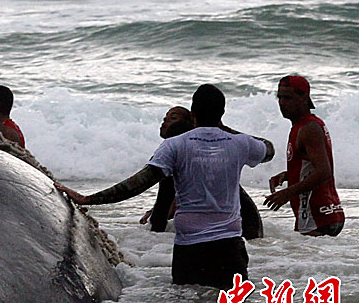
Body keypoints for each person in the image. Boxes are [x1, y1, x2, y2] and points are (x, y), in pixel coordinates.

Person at [57, 84, 274, 289]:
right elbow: (268, 149)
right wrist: (223, 129)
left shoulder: (174, 145)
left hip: (190, 250)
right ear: (222, 113)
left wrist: (88, 199)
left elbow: (137, 184)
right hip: (230, 249)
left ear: (193, 113)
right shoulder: (240, 143)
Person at [142, 107, 264, 240]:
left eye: (173, 118)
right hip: (240, 225)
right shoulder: (201, 154)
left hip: (241, 228)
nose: (165, 120)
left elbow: (161, 211)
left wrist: (149, 240)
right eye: (166, 117)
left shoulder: (180, 155)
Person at [264, 76, 345, 237]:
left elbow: (324, 172)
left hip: (318, 216)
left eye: (287, 98)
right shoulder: (303, 125)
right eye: (279, 98)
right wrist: (288, 175)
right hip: (326, 214)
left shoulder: (309, 128)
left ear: (304, 98)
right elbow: (312, 167)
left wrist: (287, 193)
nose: (282, 103)